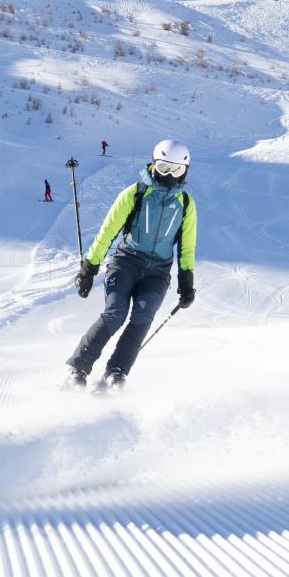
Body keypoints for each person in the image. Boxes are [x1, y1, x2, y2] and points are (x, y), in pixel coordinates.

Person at [63, 139, 198, 392]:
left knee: (143, 316)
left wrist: (186, 282)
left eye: (176, 170)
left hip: (157, 273)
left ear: (185, 171)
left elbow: (187, 248)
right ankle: (78, 368)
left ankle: (116, 372)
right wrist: (88, 268)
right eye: (163, 168)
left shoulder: (187, 205)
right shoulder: (135, 193)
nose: (168, 175)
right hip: (126, 262)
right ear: (153, 164)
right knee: (115, 313)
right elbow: (107, 232)